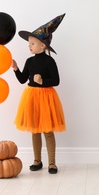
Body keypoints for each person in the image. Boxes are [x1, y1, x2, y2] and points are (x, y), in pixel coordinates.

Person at [11, 13, 66, 174]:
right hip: (32, 96)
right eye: (29, 43)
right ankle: (37, 160)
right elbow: (22, 79)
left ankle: (52, 162)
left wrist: (43, 82)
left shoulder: (50, 61)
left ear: (43, 46)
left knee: (48, 131)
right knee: (34, 130)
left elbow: (56, 80)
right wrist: (16, 69)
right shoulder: (29, 61)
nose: (30, 46)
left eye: (33, 43)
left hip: (46, 97)